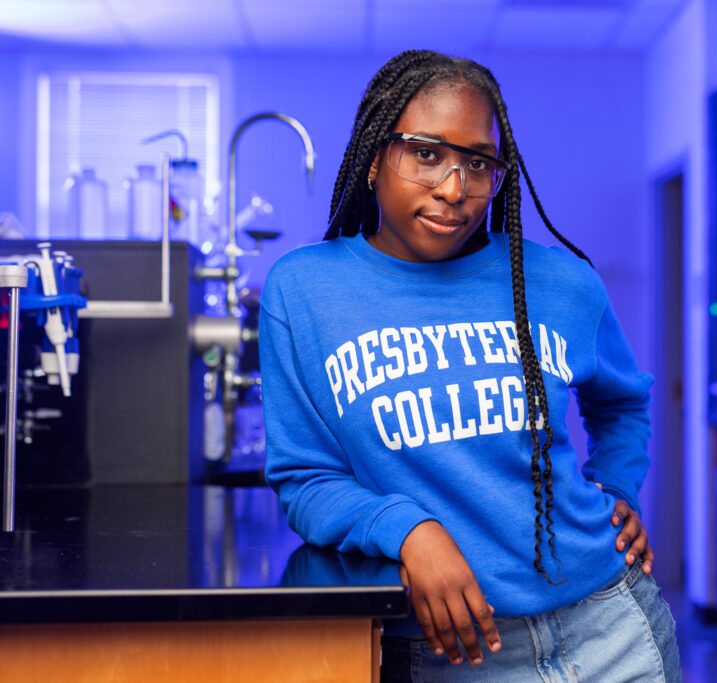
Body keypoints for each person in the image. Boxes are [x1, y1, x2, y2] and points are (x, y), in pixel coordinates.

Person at [259, 49, 681, 682]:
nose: (454, 189)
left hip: (613, 632)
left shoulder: (562, 282)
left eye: (477, 163)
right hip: (448, 653)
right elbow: (305, 479)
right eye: (426, 153)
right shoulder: (304, 290)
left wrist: (616, 488)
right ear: (375, 157)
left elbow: (622, 403)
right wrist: (409, 531)